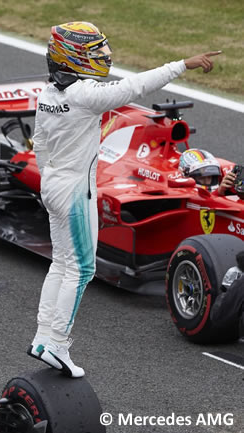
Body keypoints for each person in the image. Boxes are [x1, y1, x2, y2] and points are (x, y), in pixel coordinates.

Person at [28, 21, 221, 378]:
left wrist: (52, 180)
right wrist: (183, 64)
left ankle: (43, 337)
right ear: (74, 58)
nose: (102, 56)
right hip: (73, 191)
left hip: (52, 184)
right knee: (82, 269)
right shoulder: (85, 95)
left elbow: (39, 145)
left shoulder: (47, 95)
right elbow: (135, 85)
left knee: (61, 264)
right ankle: (56, 343)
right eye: (93, 51)